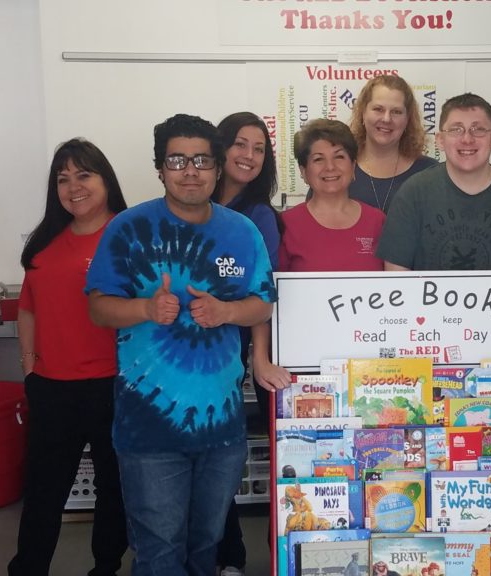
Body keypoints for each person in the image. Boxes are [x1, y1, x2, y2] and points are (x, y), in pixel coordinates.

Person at [85, 114, 276, 576]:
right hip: (149, 431)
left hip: (222, 428)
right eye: (177, 159)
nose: (190, 170)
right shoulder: (129, 229)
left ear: (217, 167)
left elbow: (263, 303)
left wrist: (227, 312)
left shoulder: (242, 231)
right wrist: (146, 310)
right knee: (159, 551)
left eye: (201, 160)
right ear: (160, 167)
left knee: (205, 546)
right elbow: (98, 306)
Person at [8, 138, 129, 576]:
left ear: (105, 181)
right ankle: (28, 568)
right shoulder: (44, 242)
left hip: (113, 385)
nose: (73, 186)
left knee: (113, 487)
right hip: (51, 387)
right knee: (43, 490)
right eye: (63, 178)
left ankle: (106, 566)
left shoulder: (127, 233)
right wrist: (30, 368)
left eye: (84, 175)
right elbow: (28, 308)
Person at [251, 118, 386, 390]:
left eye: (339, 157)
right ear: (303, 171)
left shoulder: (379, 221)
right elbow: (264, 298)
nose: (330, 168)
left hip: (370, 368)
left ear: (354, 165)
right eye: (318, 159)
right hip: (301, 366)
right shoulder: (284, 225)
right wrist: (261, 360)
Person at [211, 111, 284, 576]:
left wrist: (258, 356)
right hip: (188, 352)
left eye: (259, 149)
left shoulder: (260, 216)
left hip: (234, 351)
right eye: (241, 144)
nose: (249, 156)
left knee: (224, 460)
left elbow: (263, 291)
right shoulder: (189, 202)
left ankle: (232, 559)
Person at [377, 93, 491, 271]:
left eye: (478, 129)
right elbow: (396, 280)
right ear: (440, 140)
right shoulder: (412, 194)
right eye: (456, 130)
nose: (467, 139)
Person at [347, 74, 437, 212]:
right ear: (363, 113)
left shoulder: (430, 173)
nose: (386, 119)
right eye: (378, 109)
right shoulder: (339, 169)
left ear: (408, 119)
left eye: (396, 111)